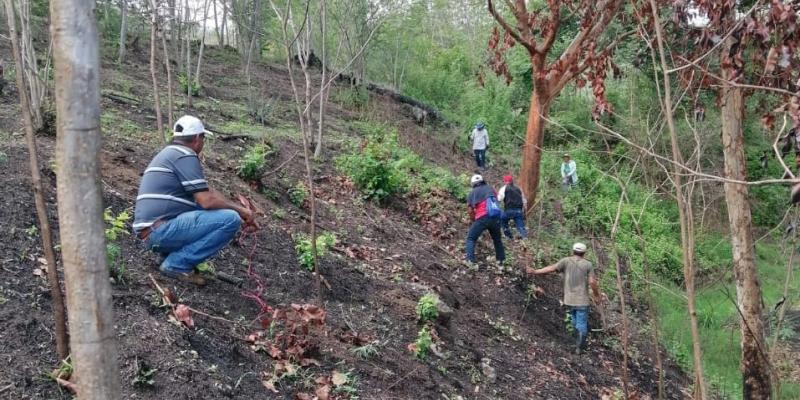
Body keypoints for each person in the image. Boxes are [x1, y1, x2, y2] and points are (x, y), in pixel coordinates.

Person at [133, 115, 256, 285]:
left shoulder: (170, 154)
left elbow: (208, 193)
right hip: (160, 232)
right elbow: (206, 200)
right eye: (203, 138)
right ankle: (176, 264)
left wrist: (240, 211)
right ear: (198, 139)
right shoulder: (185, 155)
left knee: (212, 211)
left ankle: (169, 257)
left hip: (153, 232)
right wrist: (241, 211)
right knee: (230, 219)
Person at [526, 243, 601, 355]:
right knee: (581, 323)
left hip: (569, 300)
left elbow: (552, 268)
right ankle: (580, 348)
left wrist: (536, 271)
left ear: (573, 251)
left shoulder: (566, 261)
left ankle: (576, 343)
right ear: (584, 253)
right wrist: (596, 295)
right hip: (582, 300)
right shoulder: (588, 265)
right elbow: (592, 281)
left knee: (575, 322)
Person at [465, 174, 505, 266]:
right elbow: (496, 200)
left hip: (482, 217)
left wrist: (473, 219)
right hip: (495, 217)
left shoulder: (472, 193)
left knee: (471, 238)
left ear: (473, 184)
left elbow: (470, 210)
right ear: (482, 181)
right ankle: (501, 262)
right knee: (497, 240)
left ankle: (470, 261)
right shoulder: (490, 188)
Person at [498, 175, 527, 239]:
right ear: (512, 181)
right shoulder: (518, 188)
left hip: (508, 210)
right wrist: (524, 210)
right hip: (518, 210)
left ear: (505, 181)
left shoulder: (503, 188)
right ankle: (524, 238)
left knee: (503, 220)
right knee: (520, 225)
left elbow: (499, 199)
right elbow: (524, 200)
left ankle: (508, 236)